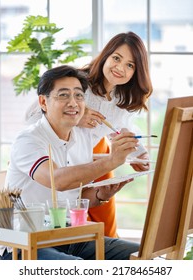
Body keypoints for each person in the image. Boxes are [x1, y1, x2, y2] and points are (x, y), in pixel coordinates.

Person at [0, 65, 140, 260]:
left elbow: (74, 196)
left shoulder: (82, 138)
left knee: (139, 255)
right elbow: (57, 180)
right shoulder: (29, 140)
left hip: (69, 236)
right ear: (43, 102)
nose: (73, 103)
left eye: (79, 96)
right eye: (63, 95)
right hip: (23, 244)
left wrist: (100, 194)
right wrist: (110, 161)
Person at [77, 31, 153, 237]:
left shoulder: (121, 97)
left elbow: (124, 127)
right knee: (77, 231)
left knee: (107, 232)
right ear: (106, 56)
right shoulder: (77, 83)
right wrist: (75, 117)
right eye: (116, 58)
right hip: (61, 167)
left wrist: (140, 154)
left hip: (94, 164)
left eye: (130, 65)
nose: (120, 68)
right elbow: (33, 115)